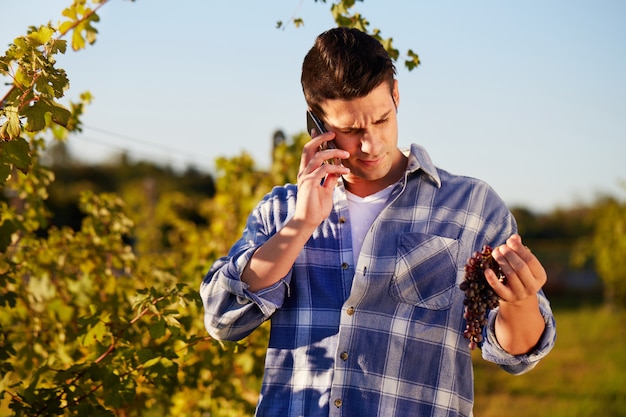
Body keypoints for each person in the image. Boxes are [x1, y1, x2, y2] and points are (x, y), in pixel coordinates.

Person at [200, 27, 556, 417]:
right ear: (315, 125)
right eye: (350, 131)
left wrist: (519, 302)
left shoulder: (471, 206)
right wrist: (300, 225)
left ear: (397, 96)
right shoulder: (282, 210)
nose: (370, 145)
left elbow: (517, 355)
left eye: (383, 120)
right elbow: (222, 319)